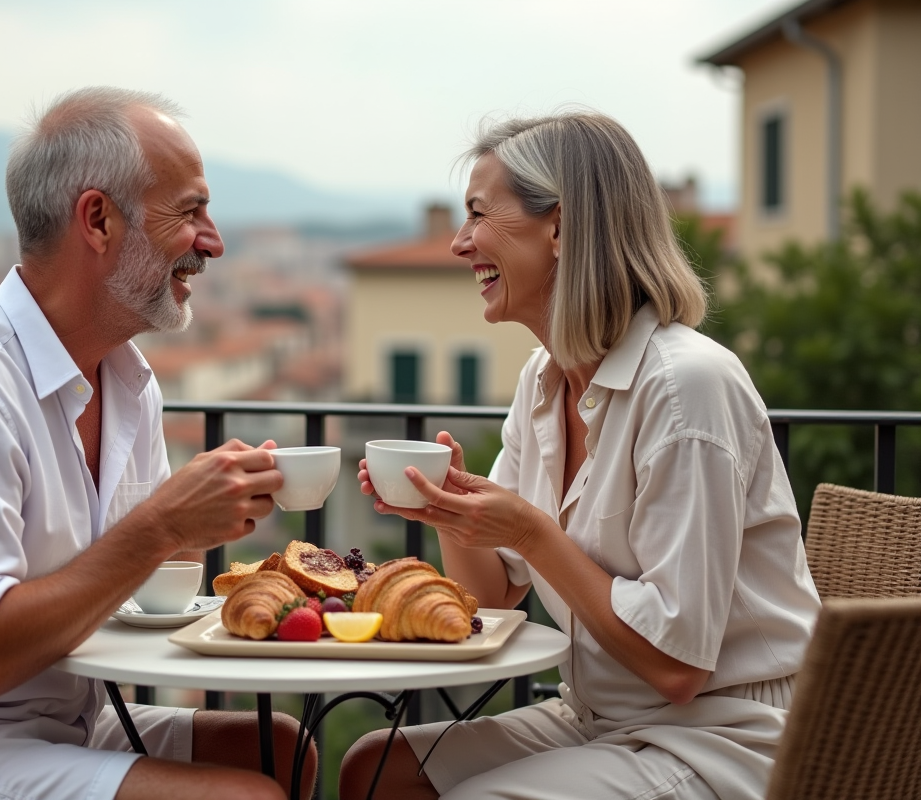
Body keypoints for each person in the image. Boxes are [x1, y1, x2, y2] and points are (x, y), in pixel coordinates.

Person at [0, 87, 315, 800]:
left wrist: (203, 526)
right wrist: (165, 521)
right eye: (190, 211)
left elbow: (135, 580)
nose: (213, 240)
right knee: (247, 798)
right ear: (99, 219)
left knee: (278, 750)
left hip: (51, 721)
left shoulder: (129, 383)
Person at [340, 112, 820, 800]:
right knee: (375, 769)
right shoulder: (545, 379)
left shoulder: (687, 388)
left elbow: (675, 665)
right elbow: (491, 596)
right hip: (599, 717)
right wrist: (447, 511)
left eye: (478, 213)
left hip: (726, 735)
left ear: (559, 228)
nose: (458, 242)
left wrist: (532, 532)